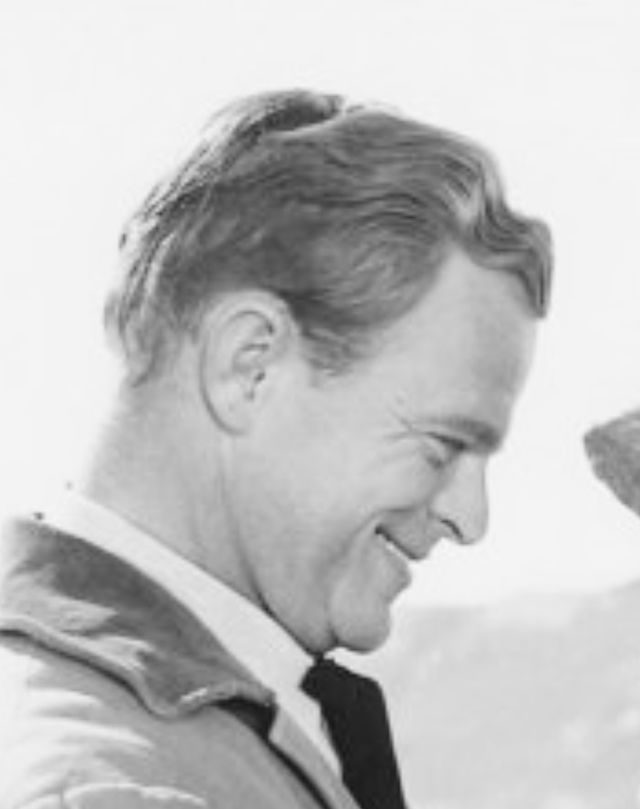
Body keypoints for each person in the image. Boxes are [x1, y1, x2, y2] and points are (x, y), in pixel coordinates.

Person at [0, 89, 552, 809]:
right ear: (249, 365)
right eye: (444, 443)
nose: (470, 519)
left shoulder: (193, 730)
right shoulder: (113, 784)